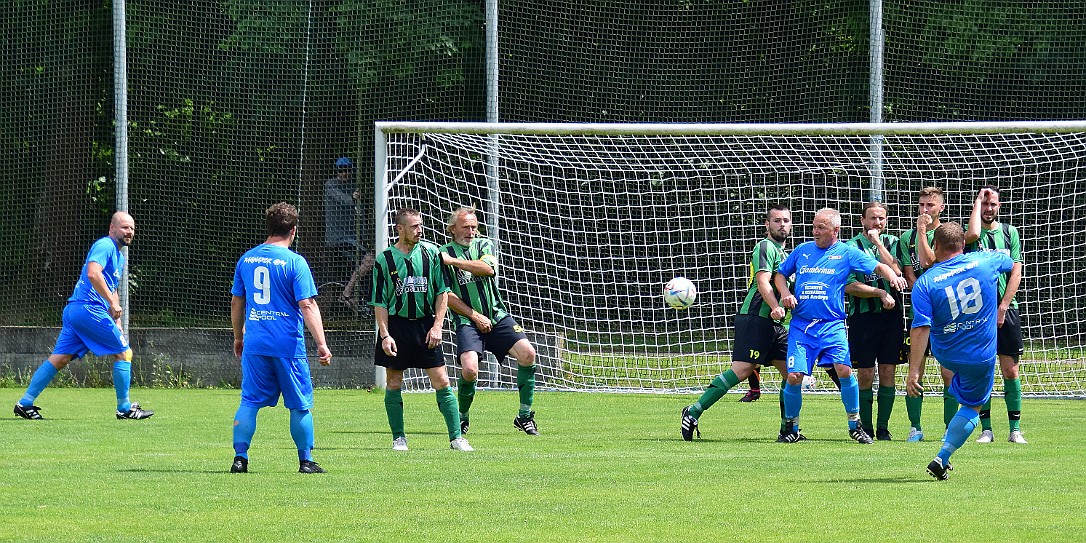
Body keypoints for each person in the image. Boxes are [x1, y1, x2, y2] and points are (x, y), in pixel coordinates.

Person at [773, 208, 907, 444]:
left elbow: (878, 267)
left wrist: (892, 277)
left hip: (832, 325)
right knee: (794, 376)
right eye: (814, 226)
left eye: (821, 228)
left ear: (836, 230)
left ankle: (855, 425)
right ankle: (790, 427)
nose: (815, 231)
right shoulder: (802, 250)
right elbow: (780, 275)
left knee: (844, 371)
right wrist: (785, 293)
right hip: (802, 326)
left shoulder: (846, 252)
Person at [13, 211, 154, 421]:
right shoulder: (105, 245)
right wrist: (113, 304)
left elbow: (111, 287)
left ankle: (24, 403)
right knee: (124, 354)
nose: (129, 232)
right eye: (125, 227)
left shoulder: (119, 257)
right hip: (88, 309)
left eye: (132, 228)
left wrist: (116, 318)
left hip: (76, 310)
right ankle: (125, 409)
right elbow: (93, 273)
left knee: (60, 359)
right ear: (112, 228)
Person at [229, 202, 333, 474]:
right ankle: (306, 461)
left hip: (255, 343)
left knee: (249, 401)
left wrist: (238, 336)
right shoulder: (295, 262)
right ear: (293, 231)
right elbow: (307, 305)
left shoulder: (247, 259)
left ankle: (240, 459)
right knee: (299, 403)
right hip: (287, 344)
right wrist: (321, 344)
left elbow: (236, 302)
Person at [681, 205, 799, 442]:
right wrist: (775, 306)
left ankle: (788, 430)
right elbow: (763, 281)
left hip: (779, 325)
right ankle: (693, 412)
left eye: (786, 220)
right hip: (756, 318)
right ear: (767, 225)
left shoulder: (788, 255)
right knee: (743, 370)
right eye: (776, 220)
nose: (782, 224)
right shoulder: (765, 247)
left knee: (792, 375)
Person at [906, 222, 1014, 480]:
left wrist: (913, 372)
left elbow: (921, 328)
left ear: (935, 247)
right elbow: (1009, 263)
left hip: (947, 354)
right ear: (963, 244)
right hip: (979, 356)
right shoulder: (985, 261)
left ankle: (950, 395)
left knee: (955, 380)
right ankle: (942, 457)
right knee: (971, 407)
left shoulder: (925, 283)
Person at [371, 208, 473, 452]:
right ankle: (399, 438)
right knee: (394, 382)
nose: (420, 230)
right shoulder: (384, 259)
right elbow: (380, 302)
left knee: (442, 380)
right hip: (397, 326)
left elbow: (442, 293)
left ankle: (456, 437)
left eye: (421, 225)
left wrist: (438, 326)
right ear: (400, 229)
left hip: (426, 325)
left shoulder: (431, 253)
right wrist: (385, 335)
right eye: (414, 226)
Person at [439, 207, 540, 436]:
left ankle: (524, 416)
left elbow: (488, 269)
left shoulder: (483, 245)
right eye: (466, 227)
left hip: (496, 315)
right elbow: (446, 295)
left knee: (528, 354)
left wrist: (454, 262)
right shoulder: (441, 253)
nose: (471, 231)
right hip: (466, 321)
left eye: (474, 227)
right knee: (470, 370)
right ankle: (462, 417)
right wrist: (475, 316)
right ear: (452, 229)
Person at [964, 186, 1026, 444]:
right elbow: (972, 234)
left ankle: (1015, 429)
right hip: (978, 312)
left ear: (1000, 206)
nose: (989, 209)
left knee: (1010, 371)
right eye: (985, 204)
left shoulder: (1010, 233)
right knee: (983, 369)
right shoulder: (971, 237)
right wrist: (976, 202)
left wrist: (1003, 307)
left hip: (1007, 310)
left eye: (993, 204)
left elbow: (1016, 271)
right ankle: (986, 429)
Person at [897, 186, 953, 442]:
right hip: (919, 310)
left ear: (941, 207)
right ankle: (915, 427)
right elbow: (910, 275)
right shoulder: (905, 237)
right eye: (921, 206)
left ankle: (949, 427)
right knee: (915, 368)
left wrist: (922, 232)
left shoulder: (948, 234)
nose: (924, 210)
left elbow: (931, 261)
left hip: (946, 312)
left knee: (948, 371)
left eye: (930, 206)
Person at [844, 202, 904, 440]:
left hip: (891, 319)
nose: (877, 223)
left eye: (881, 219)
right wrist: (879, 293)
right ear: (862, 221)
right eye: (872, 218)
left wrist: (878, 242)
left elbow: (897, 272)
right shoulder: (850, 247)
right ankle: (865, 427)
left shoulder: (892, 243)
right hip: (863, 318)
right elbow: (848, 285)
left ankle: (883, 428)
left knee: (888, 371)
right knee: (866, 373)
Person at [324, 157, 375, 308]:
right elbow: (344, 200)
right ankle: (346, 294)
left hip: (353, 239)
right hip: (337, 238)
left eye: (347, 170)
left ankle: (361, 299)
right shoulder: (331, 185)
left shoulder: (354, 186)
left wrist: (364, 236)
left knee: (369, 259)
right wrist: (353, 197)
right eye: (341, 170)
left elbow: (360, 214)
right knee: (369, 259)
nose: (344, 173)